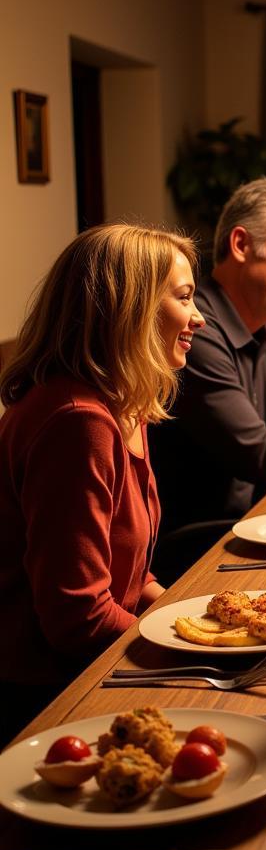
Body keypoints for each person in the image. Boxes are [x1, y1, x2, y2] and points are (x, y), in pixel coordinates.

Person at [0, 223, 204, 742]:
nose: (199, 318)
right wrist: (188, 650)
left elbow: (124, 573)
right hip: (50, 697)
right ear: (129, 309)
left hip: (97, 662)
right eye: (184, 298)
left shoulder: (123, 403)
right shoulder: (77, 421)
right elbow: (77, 617)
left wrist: (196, 621)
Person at [149, 177, 266, 578]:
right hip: (197, 553)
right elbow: (264, 458)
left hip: (253, 527)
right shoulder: (197, 331)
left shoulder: (256, 326)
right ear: (241, 245)